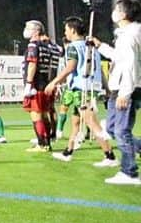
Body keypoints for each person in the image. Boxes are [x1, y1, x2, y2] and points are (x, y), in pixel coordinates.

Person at [46, 16, 114, 163]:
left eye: (66, 29)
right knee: (76, 121)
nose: (65, 33)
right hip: (90, 87)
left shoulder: (73, 47)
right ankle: (68, 151)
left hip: (81, 89)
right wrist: (106, 87)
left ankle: (109, 155)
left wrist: (54, 82)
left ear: (72, 29)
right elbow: (100, 71)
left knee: (91, 122)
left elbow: (70, 68)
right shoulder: (92, 47)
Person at [90, 0, 141, 185]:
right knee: (112, 129)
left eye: (117, 9)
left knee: (121, 131)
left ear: (124, 13)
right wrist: (100, 45)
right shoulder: (127, 34)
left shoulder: (130, 35)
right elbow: (118, 58)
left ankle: (129, 172)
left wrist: (125, 93)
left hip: (125, 87)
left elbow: (129, 65)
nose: (114, 12)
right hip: (120, 86)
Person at [21, 20, 55, 152]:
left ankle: (42, 144)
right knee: (44, 114)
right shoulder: (45, 46)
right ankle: (47, 142)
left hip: (36, 85)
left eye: (28, 28)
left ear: (36, 31)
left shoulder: (33, 46)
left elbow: (32, 64)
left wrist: (29, 83)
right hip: (44, 83)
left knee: (36, 114)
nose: (26, 30)